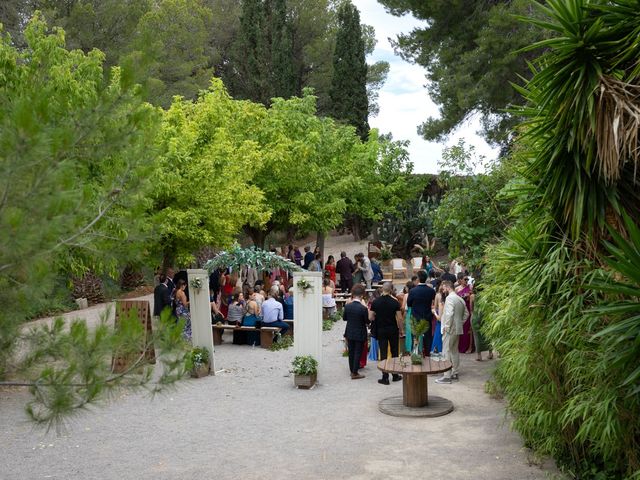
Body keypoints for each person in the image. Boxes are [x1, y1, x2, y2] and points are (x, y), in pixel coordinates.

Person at [435, 281, 468, 384]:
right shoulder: (460, 298)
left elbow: (449, 314)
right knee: (454, 351)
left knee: (446, 351)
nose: (442, 290)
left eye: (444, 288)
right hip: (457, 328)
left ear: (448, 287)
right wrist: (459, 323)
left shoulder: (449, 298)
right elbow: (466, 314)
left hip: (450, 329)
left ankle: (446, 376)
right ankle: (454, 372)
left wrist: (447, 326)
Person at [370, 282, 403, 385]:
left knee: (383, 352)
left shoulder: (376, 302)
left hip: (381, 329)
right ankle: (395, 375)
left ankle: (385, 377)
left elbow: (370, 317)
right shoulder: (395, 302)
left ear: (382, 289)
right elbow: (400, 318)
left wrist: (377, 317)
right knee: (394, 352)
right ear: (391, 290)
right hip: (392, 329)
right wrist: (401, 330)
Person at [406, 270, 436, 356]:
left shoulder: (413, 291)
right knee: (428, 338)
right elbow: (432, 303)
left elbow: (409, 304)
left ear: (418, 279)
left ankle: (415, 354)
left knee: (415, 337)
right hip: (427, 316)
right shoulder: (431, 291)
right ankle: (427, 354)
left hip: (416, 316)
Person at [343, 285, 368, 380]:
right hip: (360, 331)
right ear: (361, 296)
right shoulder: (363, 308)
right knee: (358, 351)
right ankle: (355, 372)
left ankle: (352, 370)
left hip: (349, 330)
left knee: (351, 351)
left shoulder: (348, 306)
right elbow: (367, 321)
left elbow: (344, 318)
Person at [455, 274, 474, 353]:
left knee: (469, 329)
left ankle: (470, 347)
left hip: (468, 309)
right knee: (461, 328)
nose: (466, 281)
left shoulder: (470, 287)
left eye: (467, 279)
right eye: (464, 279)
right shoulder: (456, 289)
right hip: (461, 310)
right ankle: (460, 346)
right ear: (460, 280)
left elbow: (473, 298)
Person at [430, 284, 447, 355]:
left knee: (438, 337)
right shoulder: (448, 300)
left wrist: (434, 312)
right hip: (446, 322)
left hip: (440, 321)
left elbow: (439, 318)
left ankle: (438, 351)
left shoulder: (441, 303)